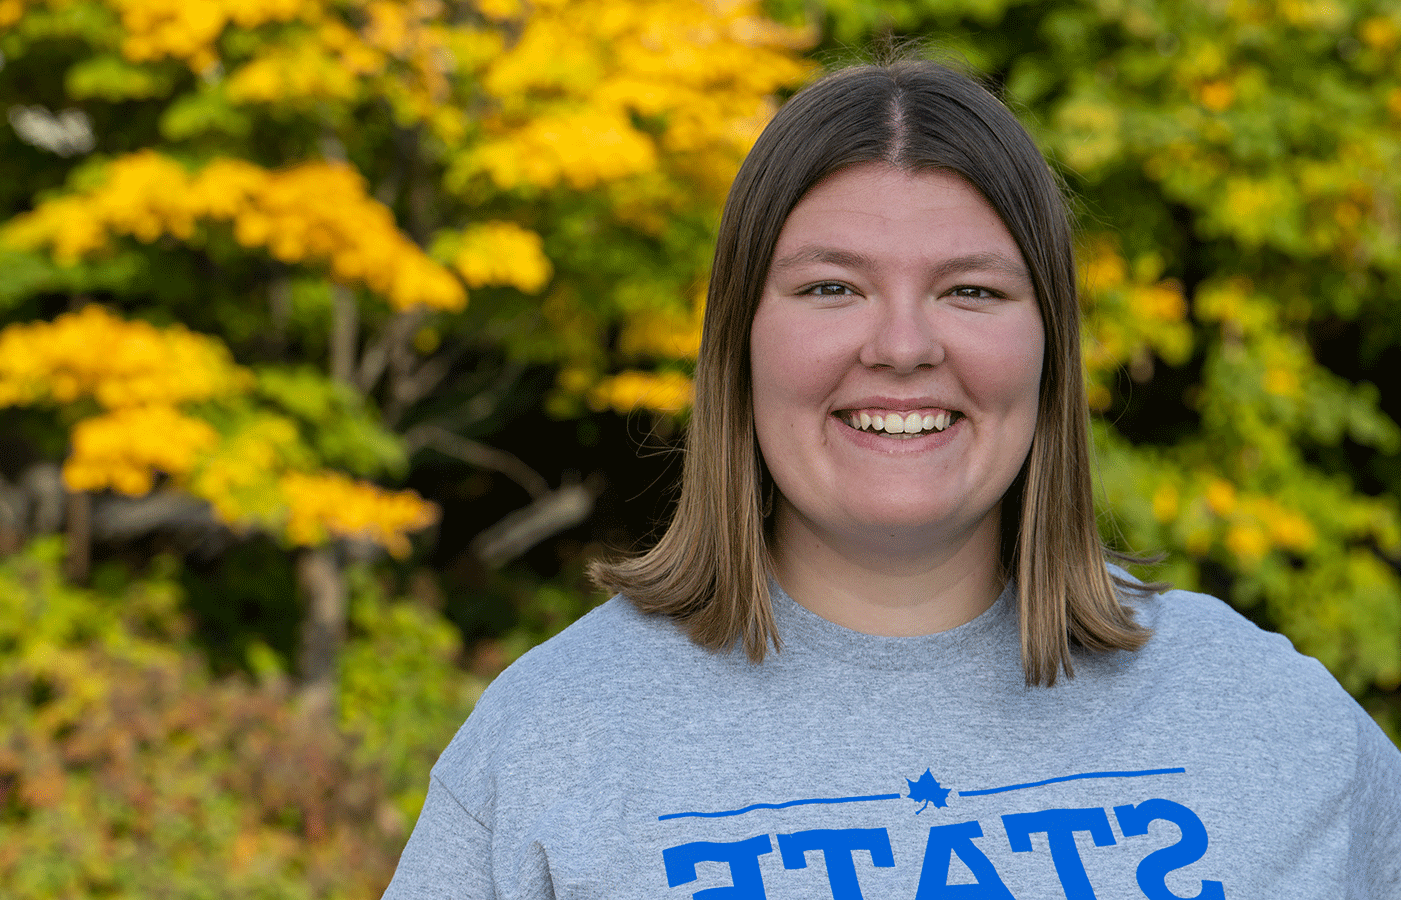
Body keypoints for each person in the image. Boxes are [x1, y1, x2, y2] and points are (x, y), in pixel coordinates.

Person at [382, 59, 1401, 899]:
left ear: (1050, 348)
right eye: (832, 288)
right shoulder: (553, 741)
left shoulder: (1271, 719)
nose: (904, 345)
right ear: (738, 344)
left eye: (970, 290)